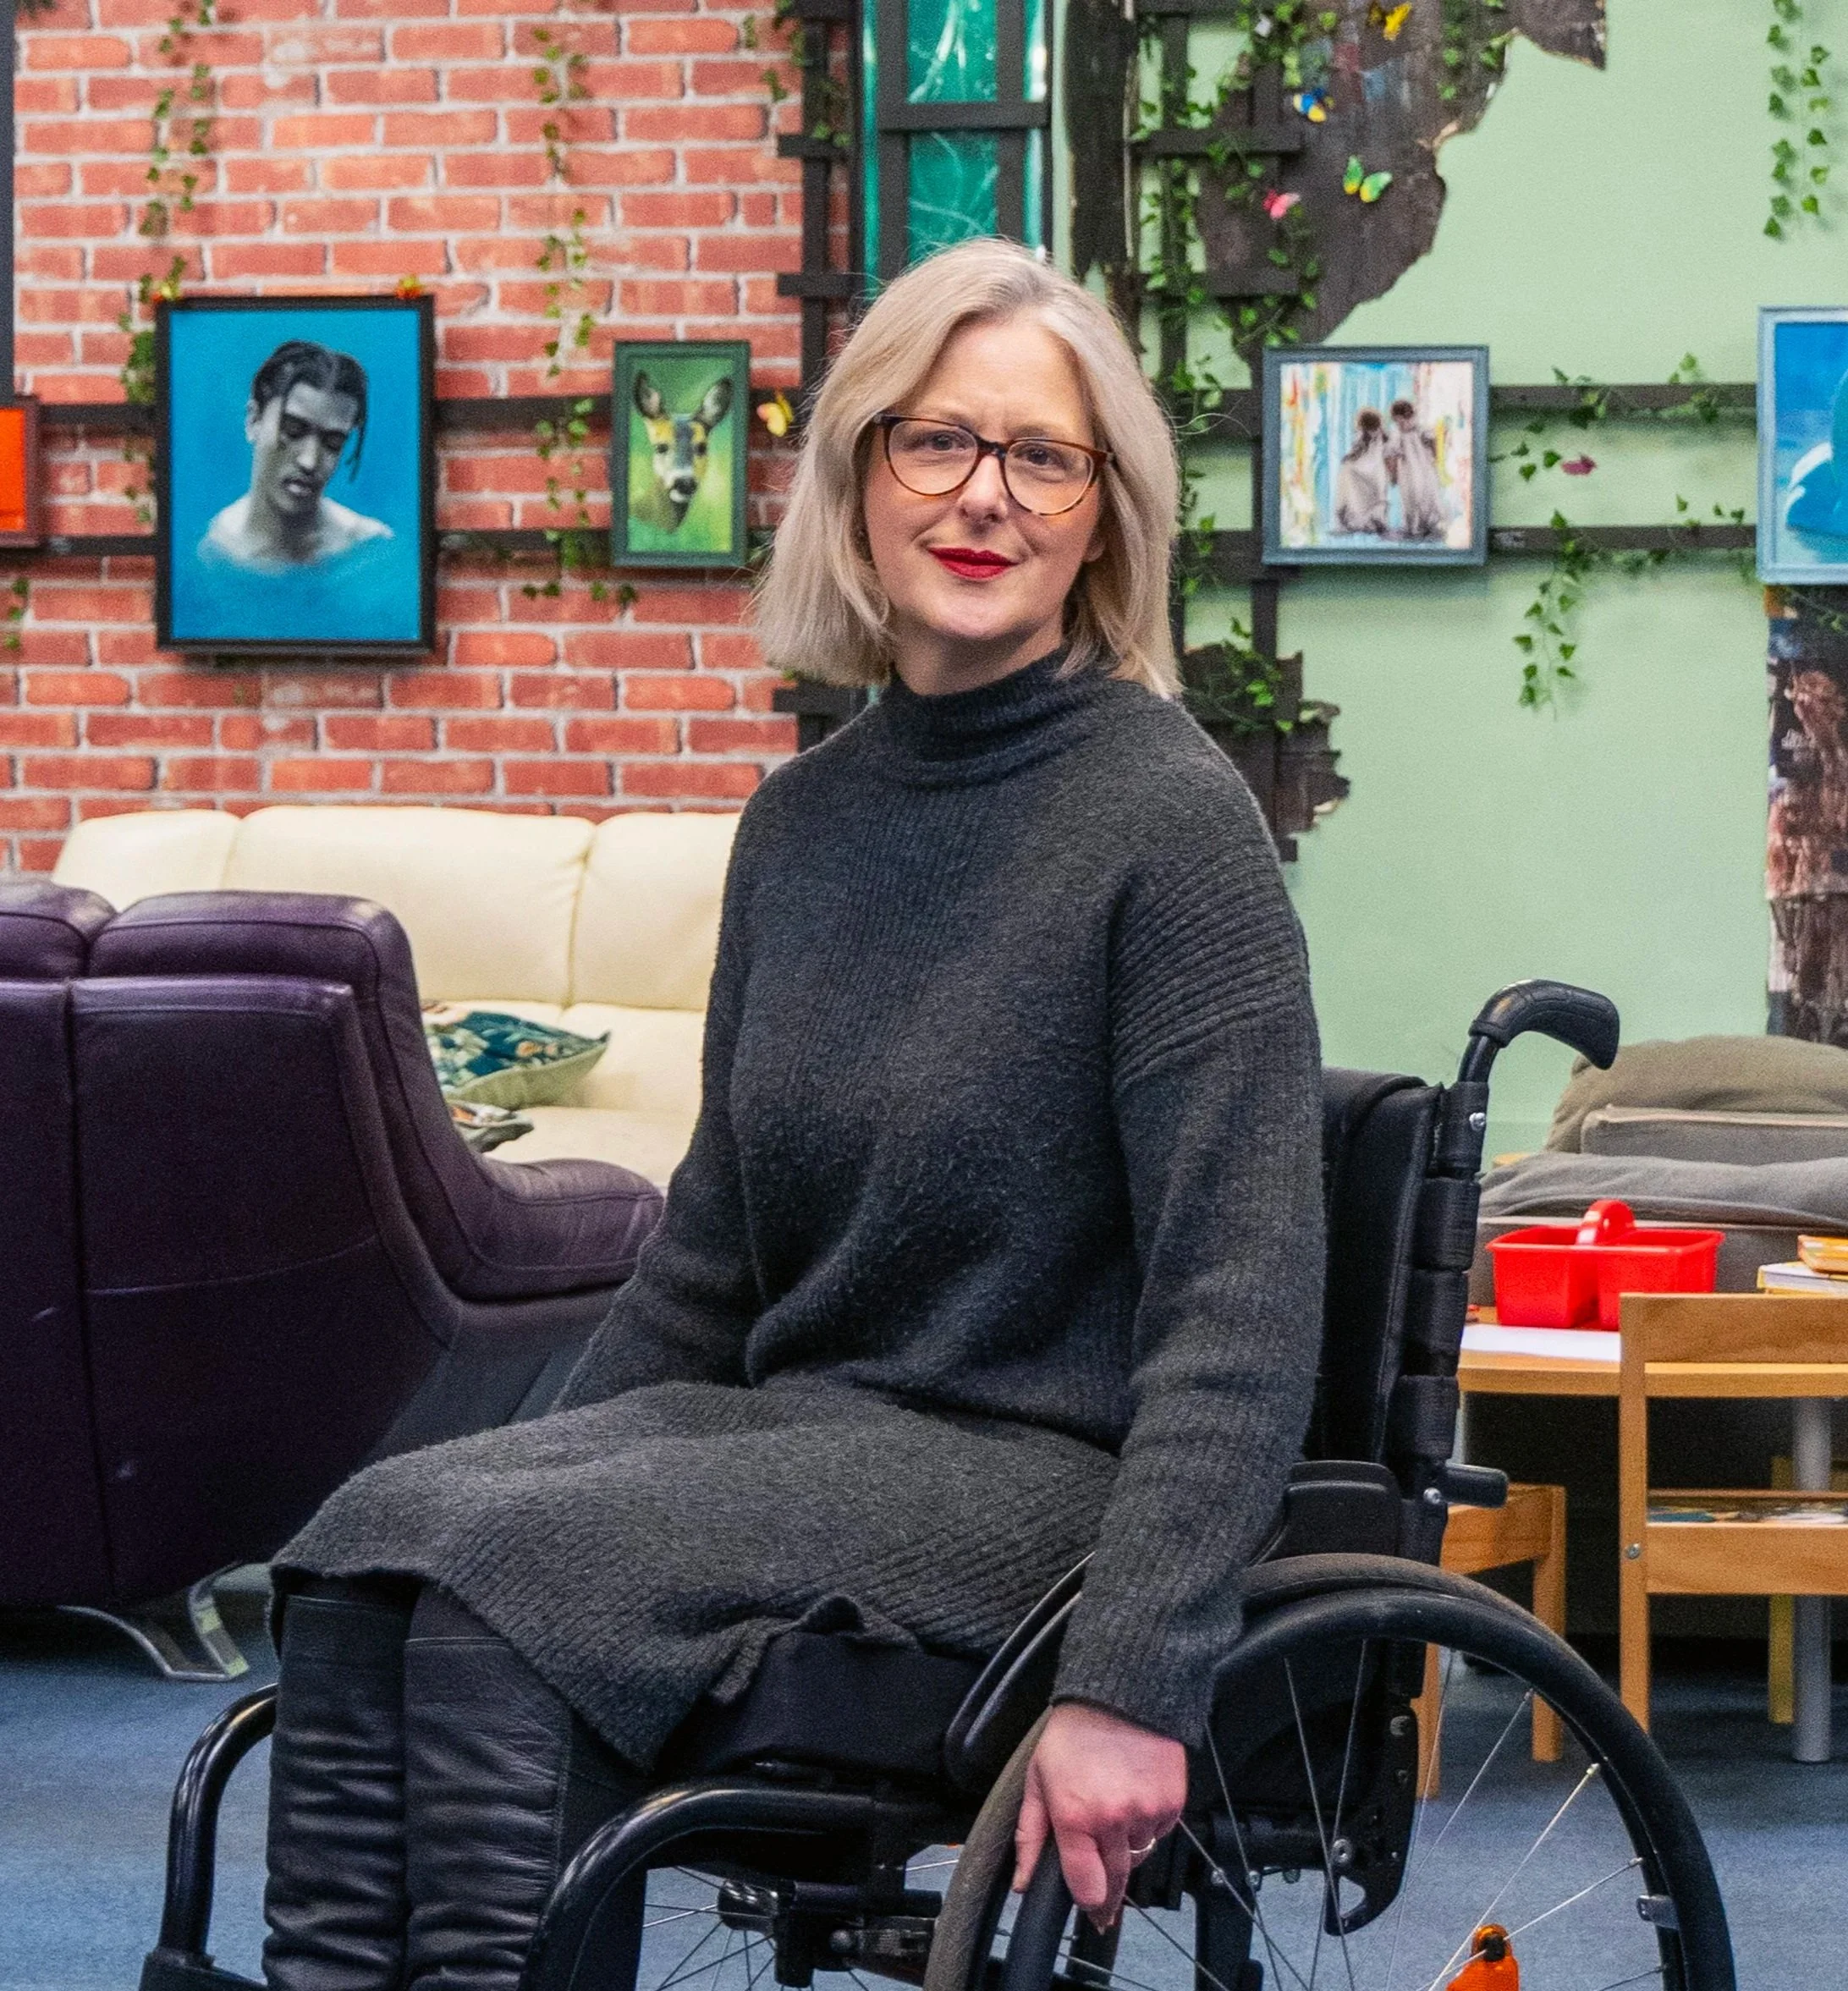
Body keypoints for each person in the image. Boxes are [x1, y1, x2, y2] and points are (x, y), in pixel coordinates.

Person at [258, 236, 1324, 1991]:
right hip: (809, 1443)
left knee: (498, 1579)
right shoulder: (805, 825)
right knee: (378, 1540)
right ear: (858, 476)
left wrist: (1132, 1678)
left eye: (1041, 457)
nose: (985, 496)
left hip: (1046, 1480)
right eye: (937, 442)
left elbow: (1241, 1307)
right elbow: (713, 1260)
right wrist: (515, 1477)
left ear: (1103, 511)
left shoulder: (1170, 828)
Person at [200, 339, 393, 572]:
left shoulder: (369, 548)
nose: (309, 461)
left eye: (332, 443)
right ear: (253, 421)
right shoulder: (215, 550)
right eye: (292, 430)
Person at [1385, 397, 1445, 540]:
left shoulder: (1421, 428)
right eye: (1397, 421)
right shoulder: (1398, 434)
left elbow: (1434, 443)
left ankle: (1431, 525)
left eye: (1400, 420)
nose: (1400, 424)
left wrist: (1436, 459)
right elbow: (1392, 455)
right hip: (1408, 472)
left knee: (1428, 495)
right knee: (1410, 498)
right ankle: (1414, 527)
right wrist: (1393, 475)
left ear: (1407, 416)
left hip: (1424, 468)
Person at [1333, 405, 1390, 535]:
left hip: (1373, 470)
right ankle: (1368, 519)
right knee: (1349, 471)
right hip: (1375, 470)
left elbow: (1357, 453)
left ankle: (1366, 519)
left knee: (1348, 471)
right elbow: (1357, 452)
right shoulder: (1378, 435)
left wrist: (1348, 459)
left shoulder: (1380, 436)